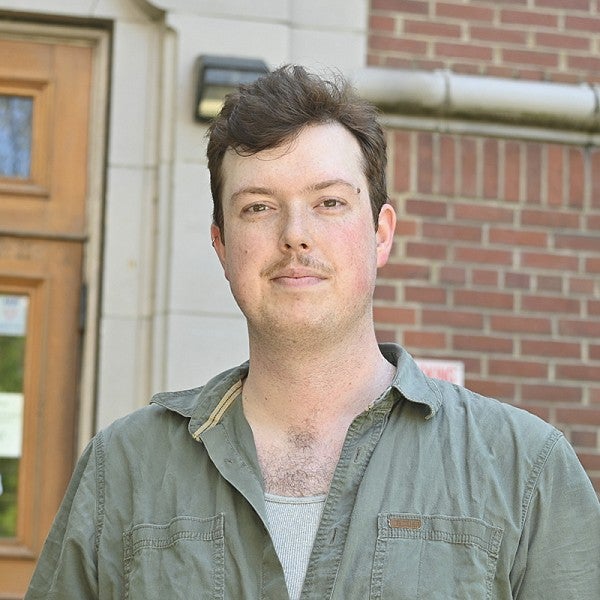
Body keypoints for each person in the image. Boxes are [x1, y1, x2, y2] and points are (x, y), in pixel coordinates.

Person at [26, 65, 599, 600]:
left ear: (381, 233)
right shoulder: (125, 467)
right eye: (257, 208)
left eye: (328, 202)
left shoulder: (525, 468)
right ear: (222, 245)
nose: (295, 235)